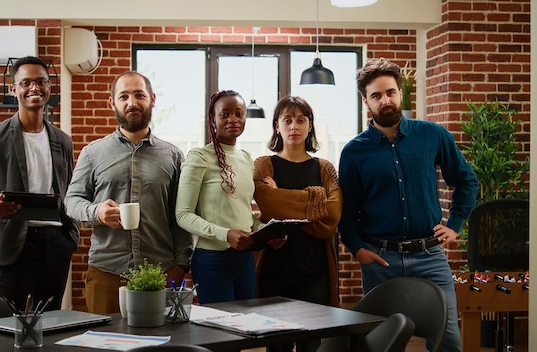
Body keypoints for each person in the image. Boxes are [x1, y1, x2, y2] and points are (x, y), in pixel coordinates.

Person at [339, 58, 478, 352]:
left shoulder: (433, 135)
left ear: (401, 94)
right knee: (379, 343)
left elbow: (467, 181)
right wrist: (357, 248)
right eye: (376, 96)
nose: (385, 101)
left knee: (449, 341)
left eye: (390, 92)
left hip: (430, 258)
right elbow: (347, 210)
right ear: (366, 102)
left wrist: (454, 225)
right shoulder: (354, 152)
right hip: (380, 260)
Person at [65, 71, 192, 314]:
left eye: (139, 95)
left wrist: (181, 266)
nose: (131, 103)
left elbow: (181, 216)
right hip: (107, 271)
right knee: (104, 345)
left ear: (152, 99)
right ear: (112, 102)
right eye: (123, 96)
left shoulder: (173, 156)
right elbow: (71, 201)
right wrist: (96, 212)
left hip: (162, 271)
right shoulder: (93, 153)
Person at [0, 56, 79, 311]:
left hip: (55, 242)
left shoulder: (63, 141)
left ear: (49, 87)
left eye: (41, 82)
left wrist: (70, 237)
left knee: (50, 322)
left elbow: (71, 194)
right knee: (4, 323)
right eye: (26, 82)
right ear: (13, 89)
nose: (34, 88)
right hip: (12, 245)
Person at [253, 95, 342, 352]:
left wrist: (281, 196)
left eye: (301, 120)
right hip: (275, 269)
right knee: (277, 347)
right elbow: (270, 206)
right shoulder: (264, 165)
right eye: (287, 120)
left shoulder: (325, 168)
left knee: (311, 345)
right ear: (277, 126)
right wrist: (317, 199)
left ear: (310, 125)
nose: (294, 126)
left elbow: (332, 217)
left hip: (314, 272)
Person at [175, 90, 275, 304]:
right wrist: (225, 234)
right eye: (225, 114)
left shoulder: (246, 158)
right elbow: (182, 215)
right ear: (213, 119)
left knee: (247, 326)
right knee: (220, 329)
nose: (233, 119)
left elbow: (243, 215)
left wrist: (265, 233)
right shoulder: (199, 157)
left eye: (239, 114)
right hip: (212, 261)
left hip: (245, 259)